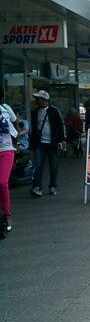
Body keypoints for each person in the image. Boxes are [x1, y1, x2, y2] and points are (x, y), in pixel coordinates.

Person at [29, 90, 66, 197]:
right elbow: (34, 128)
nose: (36, 100)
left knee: (53, 166)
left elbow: (61, 125)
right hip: (40, 143)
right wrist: (32, 142)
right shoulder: (35, 112)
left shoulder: (54, 111)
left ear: (45, 100)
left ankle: (53, 186)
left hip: (52, 143)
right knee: (38, 165)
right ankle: (37, 187)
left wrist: (62, 139)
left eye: (39, 98)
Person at [0, 88, 17, 232]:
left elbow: (14, 120)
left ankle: (6, 215)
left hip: (6, 150)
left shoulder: (5, 109)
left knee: (2, 182)